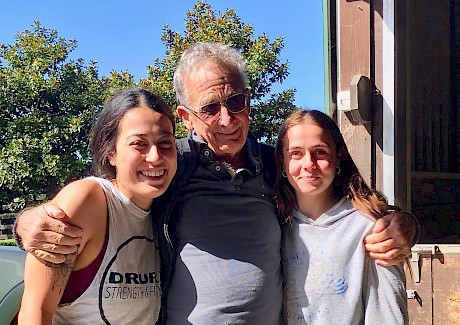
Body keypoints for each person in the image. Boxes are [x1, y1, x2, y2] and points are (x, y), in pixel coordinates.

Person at [14, 42, 417, 324]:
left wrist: (402, 222)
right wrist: (27, 221)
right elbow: (115, 190)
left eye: (236, 102)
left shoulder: (273, 162)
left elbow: (341, 186)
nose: (227, 119)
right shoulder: (172, 164)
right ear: (186, 117)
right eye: (210, 108)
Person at [18, 88, 177, 324]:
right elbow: (35, 312)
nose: (155, 156)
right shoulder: (86, 201)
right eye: (138, 144)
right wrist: (24, 223)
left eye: (165, 142)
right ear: (111, 152)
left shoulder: (168, 205)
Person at [275, 109, 408, 324]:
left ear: (338, 157)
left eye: (319, 152)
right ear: (282, 161)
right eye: (296, 153)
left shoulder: (371, 229)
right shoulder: (273, 224)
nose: (309, 163)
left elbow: (388, 315)